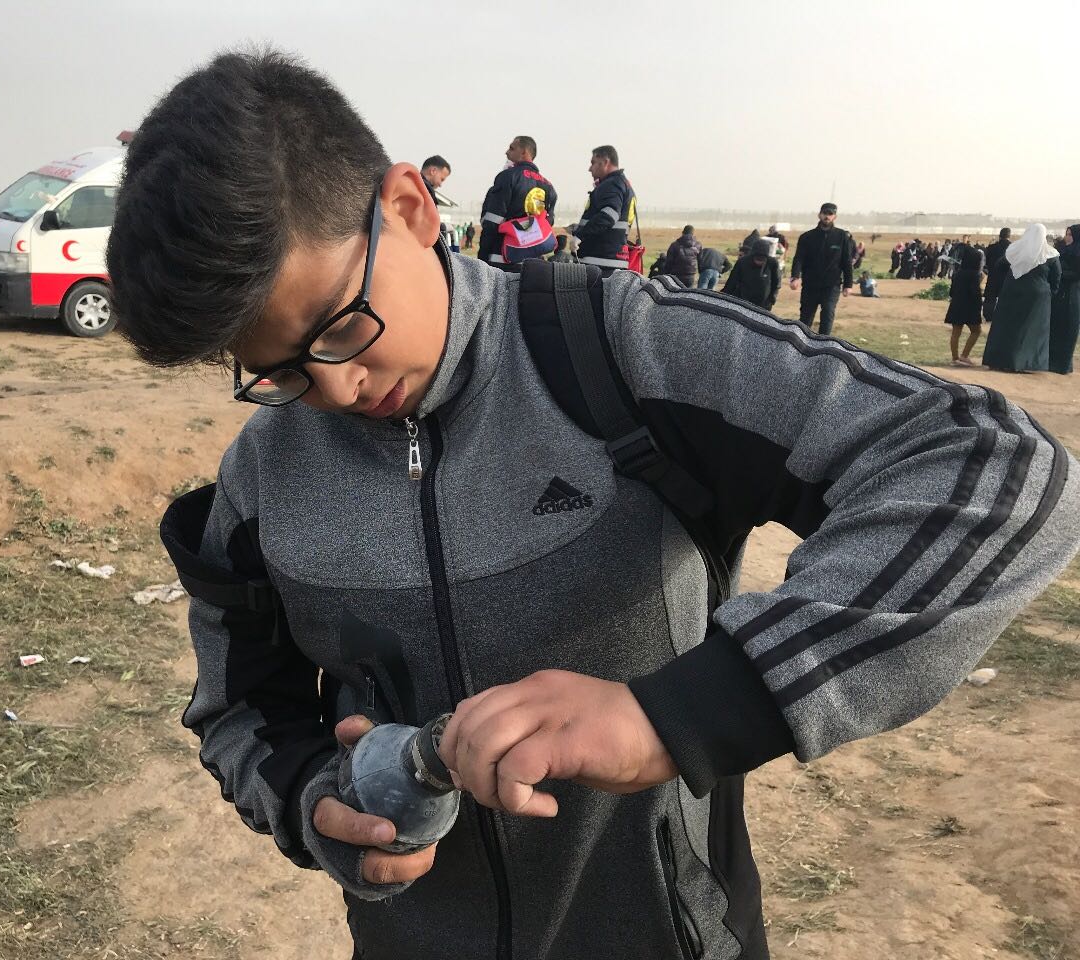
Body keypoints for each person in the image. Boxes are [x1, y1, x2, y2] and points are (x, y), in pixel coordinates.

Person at [106, 50, 1080, 960]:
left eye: (339, 326)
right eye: (276, 371)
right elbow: (241, 709)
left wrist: (676, 716)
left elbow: (995, 466)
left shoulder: (623, 352)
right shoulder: (263, 477)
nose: (335, 388)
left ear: (408, 208)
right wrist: (310, 799)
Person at [982, 224, 1061, 372]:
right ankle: (1024, 363)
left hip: (1011, 293)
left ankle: (998, 360)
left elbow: (999, 265)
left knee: (1005, 327)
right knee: (1030, 331)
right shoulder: (1050, 254)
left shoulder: (1015, 250)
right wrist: (1049, 294)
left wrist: (1007, 281)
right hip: (1037, 297)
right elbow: (1056, 278)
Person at [476, 136, 558, 266]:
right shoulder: (549, 187)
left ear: (524, 152)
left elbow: (492, 221)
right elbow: (548, 222)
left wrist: (482, 256)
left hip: (502, 257)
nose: (507, 152)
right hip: (533, 262)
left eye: (512, 148)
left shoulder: (508, 176)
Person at [790, 202, 854, 335]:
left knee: (827, 315)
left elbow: (846, 261)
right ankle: (801, 343)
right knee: (805, 318)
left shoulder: (842, 236)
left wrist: (848, 285)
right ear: (819, 215)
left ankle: (824, 344)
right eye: (825, 213)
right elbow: (799, 258)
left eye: (830, 214)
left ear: (835, 217)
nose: (827, 216)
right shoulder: (807, 237)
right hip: (810, 284)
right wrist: (795, 277)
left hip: (831, 285)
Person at [573, 145, 637, 272]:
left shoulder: (611, 184)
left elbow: (609, 216)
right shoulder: (623, 184)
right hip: (611, 260)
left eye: (593, 163)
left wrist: (580, 235)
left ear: (605, 162)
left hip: (599, 262)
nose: (590, 169)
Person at [944, 243, 984, 366]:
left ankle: (955, 358)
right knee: (976, 331)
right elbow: (975, 293)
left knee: (956, 333)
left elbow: (951, 292)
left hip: (956, 305)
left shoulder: (957, 274)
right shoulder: (975, 275)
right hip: (970, 307)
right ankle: (964, 355)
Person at [1049, 224, 1080, 374]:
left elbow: (1076, 275)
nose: (1067, 237)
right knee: (1056, 327)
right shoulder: (1064, 250)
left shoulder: (1077, 253)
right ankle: (1053, 361)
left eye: (1070, 234)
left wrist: (1060, 273)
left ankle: (1062, 364)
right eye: (1066, 234)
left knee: (1068, 328)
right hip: (1060, 294)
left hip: (1072, 295)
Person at [722, 238, 780, 308]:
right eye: (757, 259)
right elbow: (732, 282)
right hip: (743, 301)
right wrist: (723, 297)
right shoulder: (742, 262)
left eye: (762, 259)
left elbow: (776, 283)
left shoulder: (772, 263)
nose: (759, 262)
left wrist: (772, 299)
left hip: (763, 304)